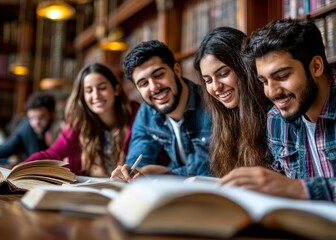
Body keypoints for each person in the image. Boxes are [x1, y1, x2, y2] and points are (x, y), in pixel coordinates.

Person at [221, 18, 336, 202]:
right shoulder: (276, 119)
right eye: (264, 82)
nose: (271, 92)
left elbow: (292, 188)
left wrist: (300, 189)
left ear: (316, 66)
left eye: (282, 76)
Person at [111, 40, 212, 182]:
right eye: (143, 83)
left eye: (159, 75)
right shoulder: (146, 113)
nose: (154, 87)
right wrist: (130, 173)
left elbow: (214, 170)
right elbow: (138, 159)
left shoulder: (211, 104)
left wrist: (169, 173)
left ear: (176, 71)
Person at [24, 63, 139, 177]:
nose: (96, 95)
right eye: (89, 91)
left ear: (116, 90)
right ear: (83, 97)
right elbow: (53, 154)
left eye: (102, 88)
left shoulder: (136, 115)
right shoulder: (81, 123)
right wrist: (19, 171)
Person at [193, 27, 269, 177]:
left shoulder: (273, 114)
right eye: (208, 80)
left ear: (245, 67)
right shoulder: (222, 120)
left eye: (223, 73)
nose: (216, 87)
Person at [0, 92, 56, 164]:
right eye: (31, 118)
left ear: (52, 114)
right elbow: (2, 150)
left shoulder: (59, 128)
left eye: (41, 117)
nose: (35, 123)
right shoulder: (26, 128)